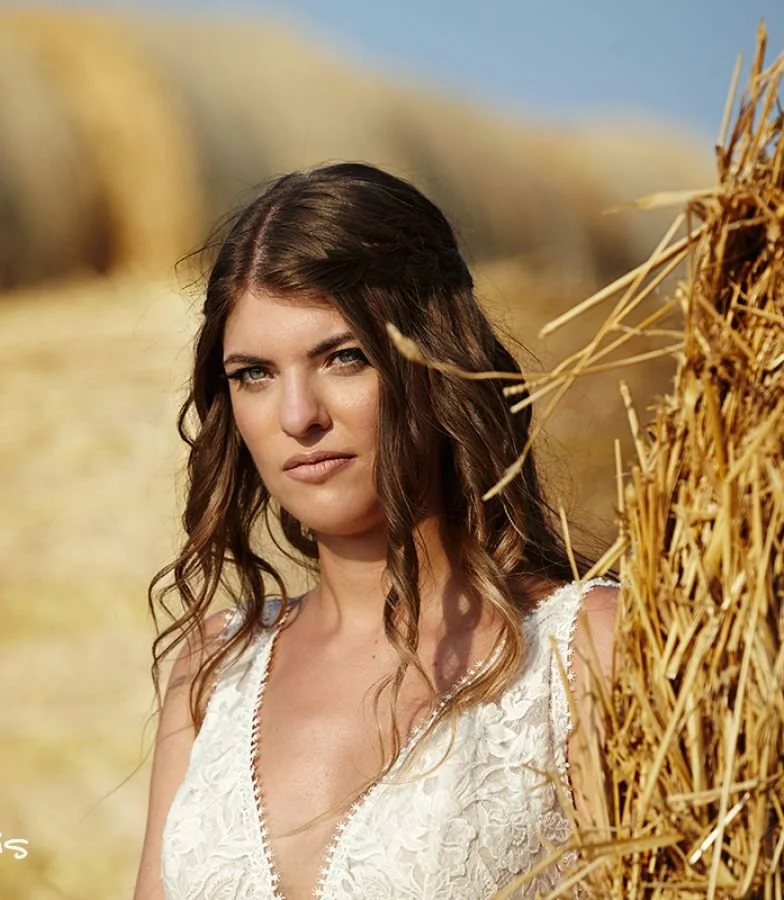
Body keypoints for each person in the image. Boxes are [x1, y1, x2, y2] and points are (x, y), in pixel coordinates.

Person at [134, 162, 620, 899]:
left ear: (435, 362)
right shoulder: (214, 670)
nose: (298, 416)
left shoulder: (583, 649)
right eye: (254, 374)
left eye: (343, 358)